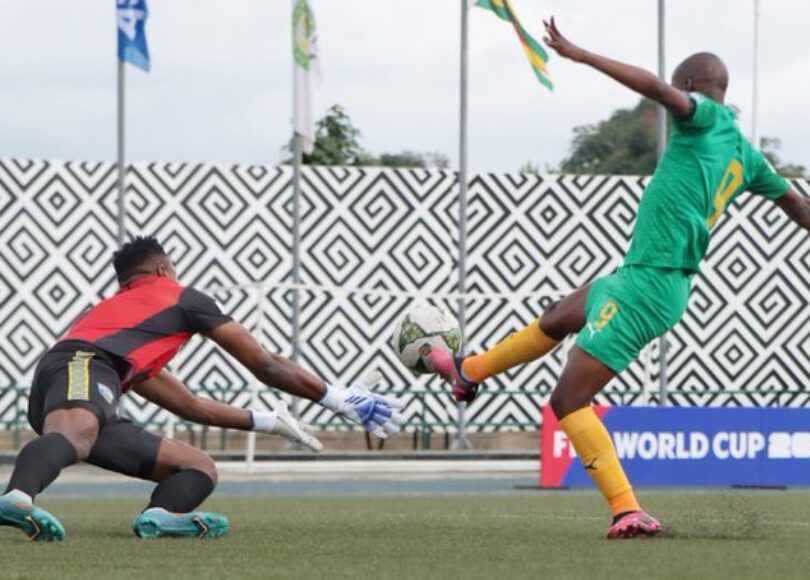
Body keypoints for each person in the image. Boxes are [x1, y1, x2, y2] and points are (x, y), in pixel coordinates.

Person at [430, 17, 810, 539]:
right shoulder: (748, 156)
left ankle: (627, 509)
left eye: (680, 90)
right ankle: (469, 371)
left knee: (567, 402)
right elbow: (800, 207)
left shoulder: (705, 117)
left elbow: (654, 87)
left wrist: (582, 54)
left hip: (649, 285)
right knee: (558, 317)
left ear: (691, 87)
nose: (675, 99)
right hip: (638, 276)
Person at [0, 236, 404, 541]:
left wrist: (269, 422)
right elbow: (265, 363)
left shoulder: (126, 332)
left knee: (197, 467)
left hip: (77, 382)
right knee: (76, 433)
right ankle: (16, 499)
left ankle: (160, 516)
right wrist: (336, 397)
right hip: (80, 366)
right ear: (163, 271)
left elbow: (191, 406)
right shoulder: (180, 298)